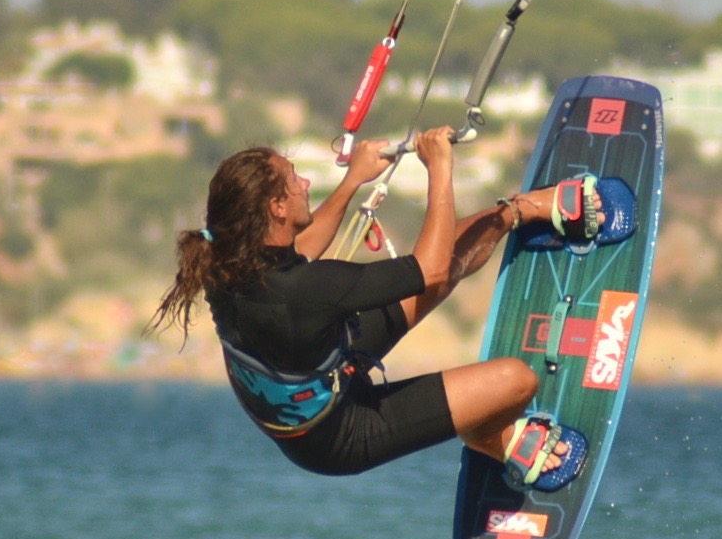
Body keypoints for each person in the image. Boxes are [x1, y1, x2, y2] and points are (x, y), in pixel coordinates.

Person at [150, 127, 616, 489]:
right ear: (276, 206)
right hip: (338, 436)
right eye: (295, 180)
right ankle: (489, 438)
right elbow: (428, 269)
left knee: (438, 275)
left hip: (328, 359)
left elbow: (304, 248)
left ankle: (523, 210)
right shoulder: (306, 290)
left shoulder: (224, 262)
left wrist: (354, 179)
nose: (305, 181)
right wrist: (439, 169)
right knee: (517, 380)